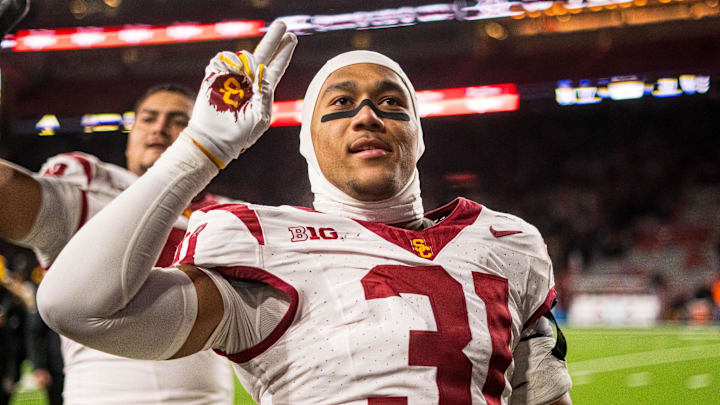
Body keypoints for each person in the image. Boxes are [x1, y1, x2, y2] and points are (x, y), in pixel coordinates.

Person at [37, 22, 571, 405]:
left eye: (392, 104)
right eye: (340, 104)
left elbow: (543, 398)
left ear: (418, 134)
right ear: (309, 145)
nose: (367, 114)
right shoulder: (263, 245)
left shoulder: (508, 243)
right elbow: (76, 308)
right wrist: (200, 147)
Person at [0, 83, 234, 404]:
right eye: (148, 119)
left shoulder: (227, 216)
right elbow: (12, 192)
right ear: (131, 134)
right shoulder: (91, 185)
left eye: (179, 121)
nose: (160, 128)